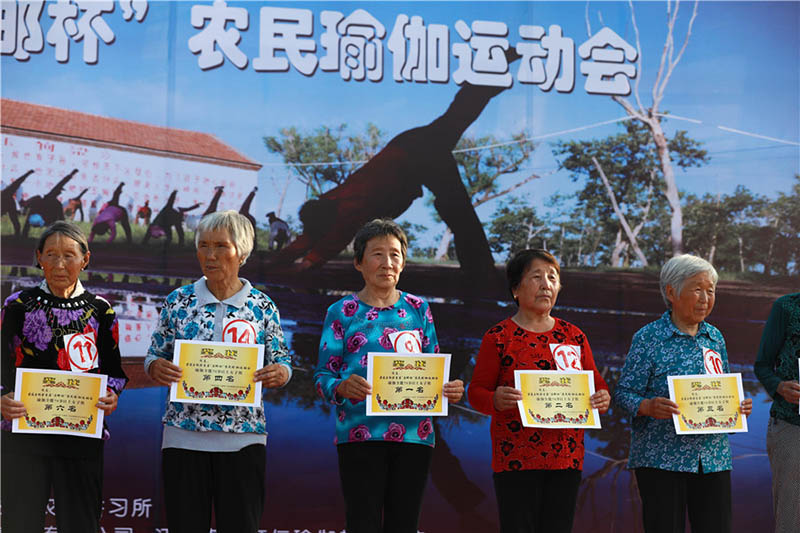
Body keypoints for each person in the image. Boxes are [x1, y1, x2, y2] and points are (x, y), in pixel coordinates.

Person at [144, 210, 291, 533]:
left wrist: (281, 372)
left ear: (242, 251)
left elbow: (282, 360)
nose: (211, 255)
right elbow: (155, 354)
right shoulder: (178, 301)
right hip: (183, 435)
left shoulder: (263, 306)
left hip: (244, 438)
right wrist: (156, 366)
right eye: (204, 245)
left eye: (221, 246)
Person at [313, 218, 464, 533]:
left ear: (404, 263)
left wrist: (449, 388)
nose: (387, 262)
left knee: (404, 523)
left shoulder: (418, 309)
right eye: (377, 254)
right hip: (358, 435)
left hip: (415, 436)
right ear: (358, 262)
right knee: (362, 522)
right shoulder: (340, 311)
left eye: (395, 254)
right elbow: (322, 376)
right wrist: (340, 386)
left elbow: (434, 368)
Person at [468, 248, 610, 533]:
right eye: (536, 277)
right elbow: (476, 393)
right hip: (515, 459)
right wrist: (494, 399)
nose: (547, 284)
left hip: (565, 458)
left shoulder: (574, 335)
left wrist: (603, 397)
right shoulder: (498, 337)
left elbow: (596, 384)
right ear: (516, 289)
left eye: (553, 277)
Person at [0, 220, 128, 533]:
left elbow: (113, 370)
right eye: (51, 255)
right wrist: (2, 397)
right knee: (20, 520)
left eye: (69, 255)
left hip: (81, 434)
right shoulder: (17, 305)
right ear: (39, 258)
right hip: (24, 433)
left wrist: (111, 395)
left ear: (85, 260)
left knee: (80, 521)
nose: (60, 264)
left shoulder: (101, 310)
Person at [613, 254, 753, 533]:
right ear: (671, 292)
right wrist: (648, 406)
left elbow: (721, 389)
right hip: (661, 459)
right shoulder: (648, 338)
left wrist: (737, 408)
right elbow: (622, 393)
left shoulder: (715, 337)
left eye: (711, 290)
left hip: (712, 458)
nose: (705, 298)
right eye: (697, 289)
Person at [753, 292, 800, 533]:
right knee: (792, 520)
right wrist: (780, 386)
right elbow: (762, 365)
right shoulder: (787, 307)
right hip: (792, 426)